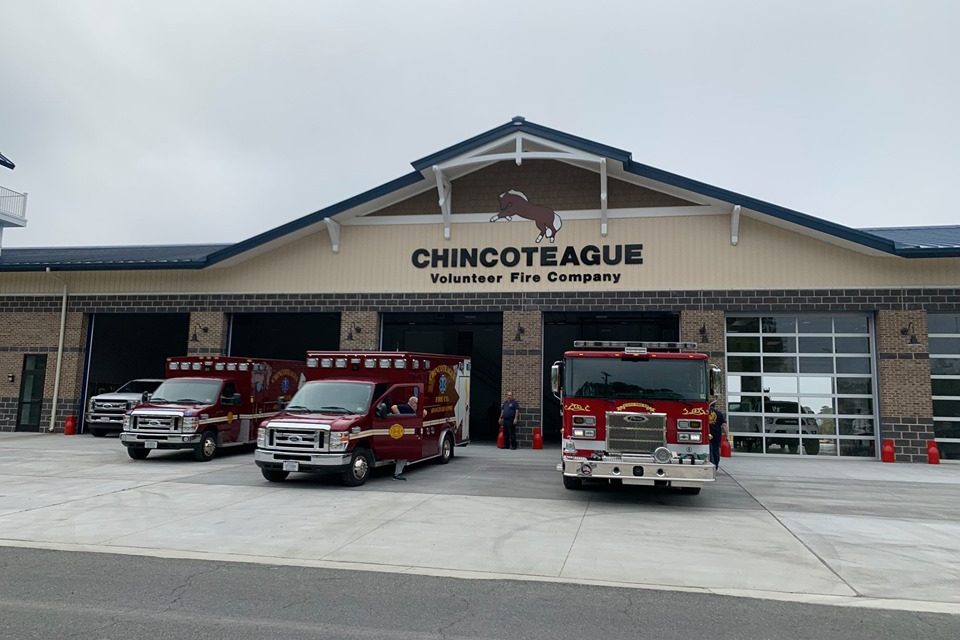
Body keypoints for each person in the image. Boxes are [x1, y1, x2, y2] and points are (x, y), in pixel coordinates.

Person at [708, 398, 728, 470]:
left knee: (710, 451)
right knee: (716, 451)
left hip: (708, 435)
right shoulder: (719, 413)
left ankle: (712, 465)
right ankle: (716, 465)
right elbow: (724, 425)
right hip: (717, 435)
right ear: (715, 405)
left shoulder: (705, 412)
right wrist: (727, 435)